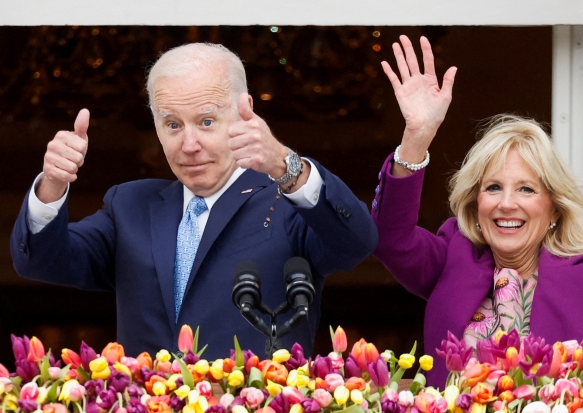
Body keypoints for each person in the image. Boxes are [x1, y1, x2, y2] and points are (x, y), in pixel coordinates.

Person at [11, 43, 377, 359]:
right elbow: (43, 262)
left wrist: (287, 166)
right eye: (172, 125)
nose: (189, 145)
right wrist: (53, 185)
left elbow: (355, 242)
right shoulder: (130, 206)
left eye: (205, 121)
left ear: (244, 109)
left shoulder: (286, 202)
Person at [371, 35, 583, 385]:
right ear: (476, 203)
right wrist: (416, 138)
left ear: (553, 208)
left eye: (526, 189)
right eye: (493, 187)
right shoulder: (451, 259)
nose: (507, 203)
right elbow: (390, 239)